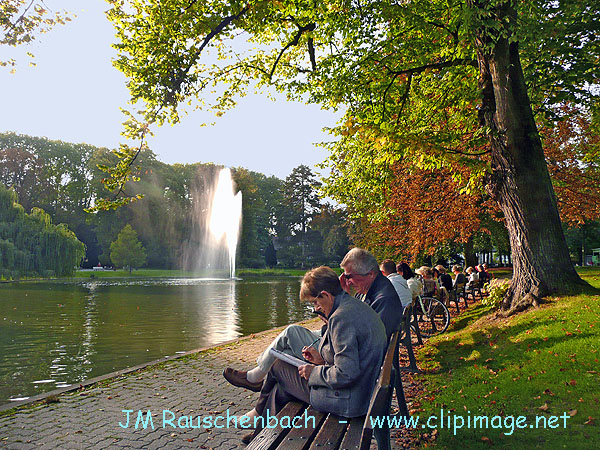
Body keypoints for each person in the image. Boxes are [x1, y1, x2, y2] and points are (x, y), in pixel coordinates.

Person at [223, 248, 401, 392]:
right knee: (285, 359)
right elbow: (361, 331)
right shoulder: (375, 291)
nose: (345, 280)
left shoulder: (383, 298)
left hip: (355, 382)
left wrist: (317, 368)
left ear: (370, 274)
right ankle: (259, 416)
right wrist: (341, 301)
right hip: (357, 367)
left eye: (349, 276)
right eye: (343, 275)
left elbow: (362, 342)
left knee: (286, 351)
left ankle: (255, 383)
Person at [243, 266, 387, 442]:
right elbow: (349, 358)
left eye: (315, 302)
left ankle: (260, 424)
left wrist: (313, 372)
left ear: (326, 295)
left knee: (277, 367)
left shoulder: (341, 318)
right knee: (281, 388)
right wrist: (320, 360)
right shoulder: (353, 306)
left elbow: (346, 374)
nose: (315, 308)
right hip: (362, 390)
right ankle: (263, 435)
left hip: (349, 399)